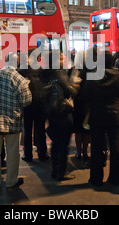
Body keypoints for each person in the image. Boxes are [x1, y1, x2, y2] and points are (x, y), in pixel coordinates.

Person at [0, 52, 32, 188]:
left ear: (5, 61)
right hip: (12, 121)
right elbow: (27, 101)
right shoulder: (19, 79)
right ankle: (11, 181)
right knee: (13, 153)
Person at [83, 50, 119, 186]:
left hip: (97, 114)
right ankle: (114, 178)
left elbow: (85, 95)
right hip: (114, 114)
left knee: (96, 148)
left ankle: (96, 178)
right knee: (115, 148)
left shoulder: (93, 75)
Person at [42, 50, 78, 180]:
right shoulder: (58, 72)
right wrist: (74, 88)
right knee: (63, 143)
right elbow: (70, 90)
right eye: (61, 59)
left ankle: (54, 169)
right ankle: (61, 172)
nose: (64, 61)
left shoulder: (44, 72)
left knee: (56, 142)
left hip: (51, 111)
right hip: (62, 111)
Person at [19, 49, 49, 162]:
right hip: (40, 104)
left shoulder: (22, 70)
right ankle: (43, 153)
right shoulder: (42, 70)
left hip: (27, 104)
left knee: (27, 130)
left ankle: (28, 155)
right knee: (40, 129)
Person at [71, 50, 91, 161]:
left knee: (78, 129)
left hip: (77, 103)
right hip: (88, 103)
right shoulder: (91, 70)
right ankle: (85, 152)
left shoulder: (73, 70)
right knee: (86, 129)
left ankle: (78, 152)